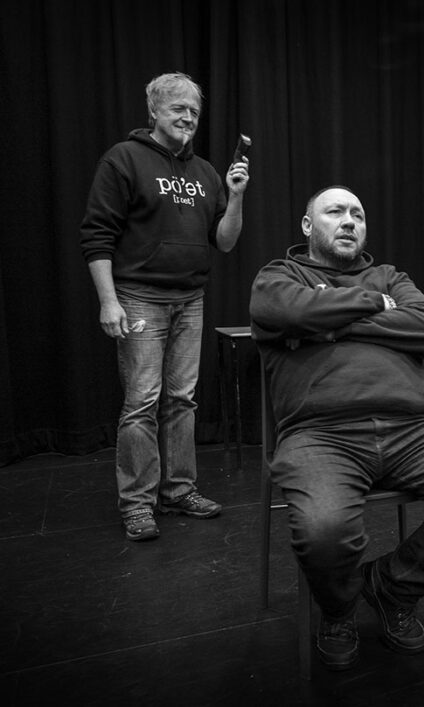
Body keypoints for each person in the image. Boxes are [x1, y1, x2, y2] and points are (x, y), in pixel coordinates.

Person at [249, 185, 424, 670]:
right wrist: (377, 305)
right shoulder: (280, 275)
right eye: (335, 212)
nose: (349, 221)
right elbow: (278, 311)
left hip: (410, 428)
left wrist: (328, 320)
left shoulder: (391, 275)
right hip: (320, 434)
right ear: (309, 226)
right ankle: (338, 609)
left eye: (358, 214)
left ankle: (390, 586)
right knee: (324, 530)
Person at [80, 72, 250, 541]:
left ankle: (178, 491)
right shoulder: (123, 159)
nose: (188, 118)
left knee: (181, 401)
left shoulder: (207, 172)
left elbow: (226, 242)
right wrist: (108, 301)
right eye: (178, 108)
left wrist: (235, 197)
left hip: (190, 301)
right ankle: (137, 504)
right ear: (154, 111)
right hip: (138, 299)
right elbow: (96, 236)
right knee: (141, 403)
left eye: (194, 111)